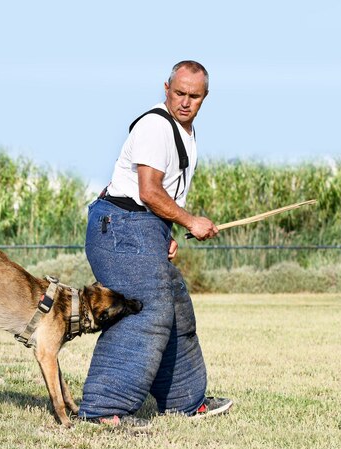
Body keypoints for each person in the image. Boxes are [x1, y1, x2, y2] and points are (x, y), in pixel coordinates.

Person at [79, 60, 232, 427]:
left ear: (205, 97)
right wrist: (190, 220)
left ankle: (185, 401)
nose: (185, 102)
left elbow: (158, 198)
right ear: (166, 89)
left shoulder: (187, 134)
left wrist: (167, 232)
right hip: (120, 227)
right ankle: (102, 410)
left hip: (140, 227)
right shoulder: (154, 126)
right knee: (145, 309)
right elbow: (148, 191)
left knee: (175, 306)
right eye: (179, 93)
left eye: (194, 96)